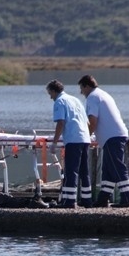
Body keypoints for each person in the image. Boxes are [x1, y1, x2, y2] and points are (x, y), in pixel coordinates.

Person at [78, 74, 129, 208]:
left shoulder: (92, 97)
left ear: (86, 86)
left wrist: (86, 137)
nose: (81, 92)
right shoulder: (103, 94)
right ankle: (103, 198)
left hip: (111, 136)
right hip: (116, 135)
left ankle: (127, 198)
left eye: (81, 88)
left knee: (117, 167)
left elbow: (92, 121)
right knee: (108, 169)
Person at [46, 79, 92, 208]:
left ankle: (70, 201)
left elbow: (61, 123)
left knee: (71, 170)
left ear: (54, 91)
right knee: (84, 170)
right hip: (85, 138)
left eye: (50, 93)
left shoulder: (60, 102)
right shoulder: (75, 100)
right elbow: (87, 122)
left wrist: (54, 143)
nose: (50, 97)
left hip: (73, 139)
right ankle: (87, 200)